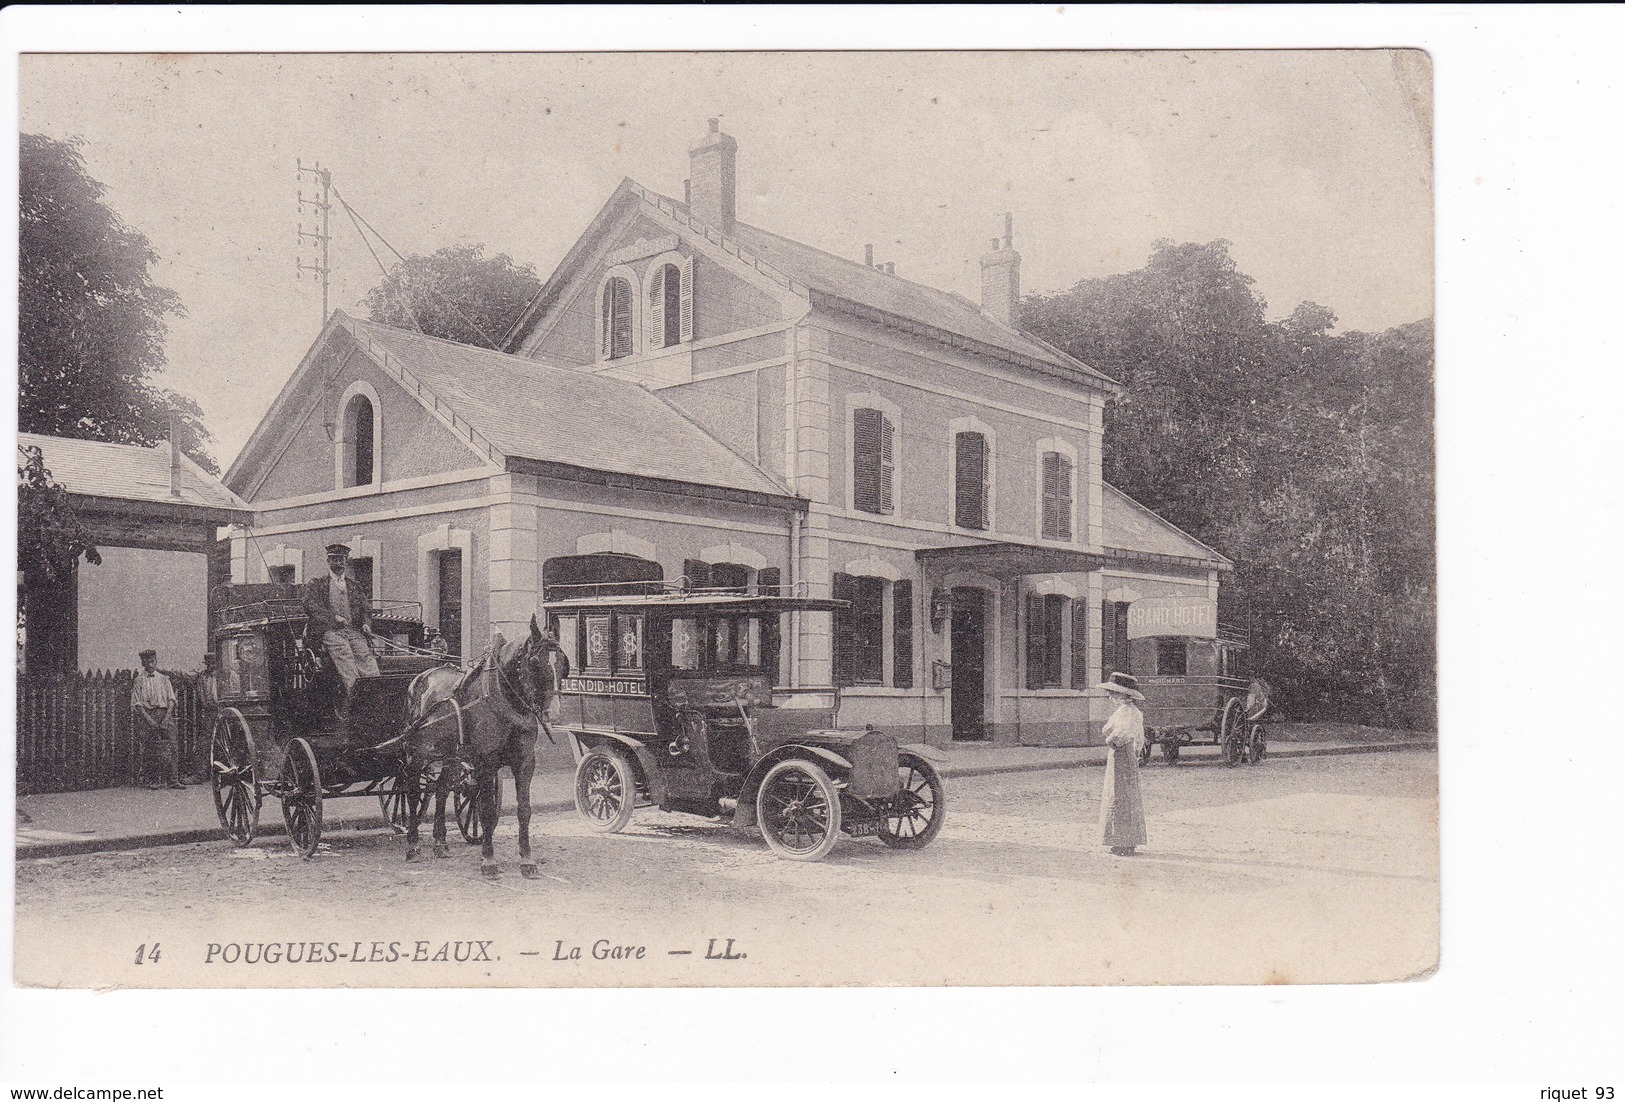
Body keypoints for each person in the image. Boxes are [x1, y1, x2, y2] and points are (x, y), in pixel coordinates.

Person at [302, 543, 379, 707]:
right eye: (334, 560)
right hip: (329, 632)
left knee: (365, 655)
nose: (338, 563)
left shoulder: (354, 586)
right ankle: (356, 697)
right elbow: (310, 605)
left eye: (341, 560)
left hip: (353, 631)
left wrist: (366, 624)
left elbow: (366, 609)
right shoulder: (317, 584)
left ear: (346, 561)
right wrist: (333, 617)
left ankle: (374, 695)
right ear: (328, 561)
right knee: (344, 655)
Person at [1096, 671, 1148, 856]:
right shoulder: (1128, 711)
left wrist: (1112, 740)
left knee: (1120, 795)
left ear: (1124, 694)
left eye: (1114, 693)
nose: (1111, 697)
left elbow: (1121, 734)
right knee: (1124, 794)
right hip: (1126, 754)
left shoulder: (1128, 712)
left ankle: (1123, 841)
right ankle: (1125, 840)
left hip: (1121, 753)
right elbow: (1138, 738)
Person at [132, 649, 183, 790]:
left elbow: (171, 700)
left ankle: (173, 779)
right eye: (146, 662)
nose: (150, 664)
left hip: (165, 714)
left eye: (152, 661)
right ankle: (152, 780)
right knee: (150, 748)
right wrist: (149, 720)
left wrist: (167, 718)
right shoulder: (139, 681)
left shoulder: (164, 679)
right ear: (142, 663)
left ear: (156, 661)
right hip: (149, 715)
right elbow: (137, 704)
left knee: (172, 746)